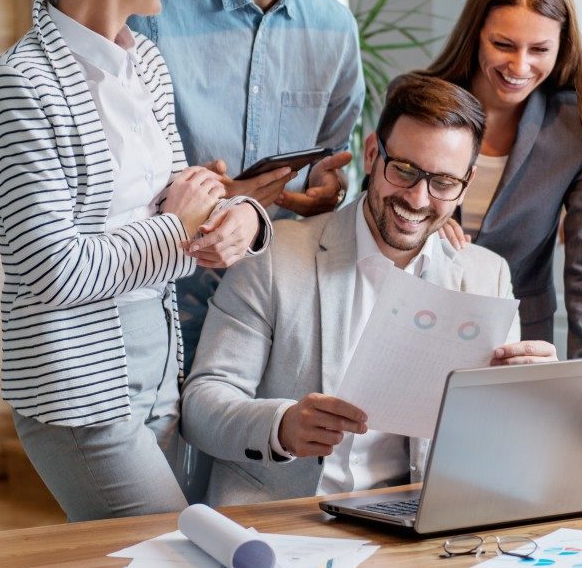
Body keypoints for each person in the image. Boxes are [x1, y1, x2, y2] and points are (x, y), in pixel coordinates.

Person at [0, 0, 271, 521]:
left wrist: (242, 214)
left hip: (161, 365)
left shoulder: (147, 66)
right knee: (174, 551)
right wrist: (180, 226)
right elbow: (52, 270)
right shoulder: (20, 82)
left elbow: (183, 196)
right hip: (76, 387)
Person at [180, 74, 558, 506]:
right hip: (280, 521)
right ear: (373, 153)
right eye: (405, 171)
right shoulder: (274, 256)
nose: (417, 199)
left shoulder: (486, 276)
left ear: (465, 184)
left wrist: (529, 394)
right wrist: (282, 425)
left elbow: (496, 440)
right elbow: (202, 406)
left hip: (414, 527)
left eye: (443, 183)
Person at [129, 0, 363, 370]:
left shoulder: (335, 30)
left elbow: (333, 156)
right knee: (163, 443)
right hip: (168, 296)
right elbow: (120, 168)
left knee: (261, 440)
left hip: (280, 303)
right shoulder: (155, 4)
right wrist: (209, 198)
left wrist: (328, 189)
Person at [418, 0, 582, 359]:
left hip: (520, 336)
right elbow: (377, 210)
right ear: (476, 32)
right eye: (503, 45)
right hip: (418, 317)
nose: (520, 66)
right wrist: (418, 220)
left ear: (562, 46)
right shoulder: (418, 104)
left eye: (539, 49)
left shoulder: (575, 128)